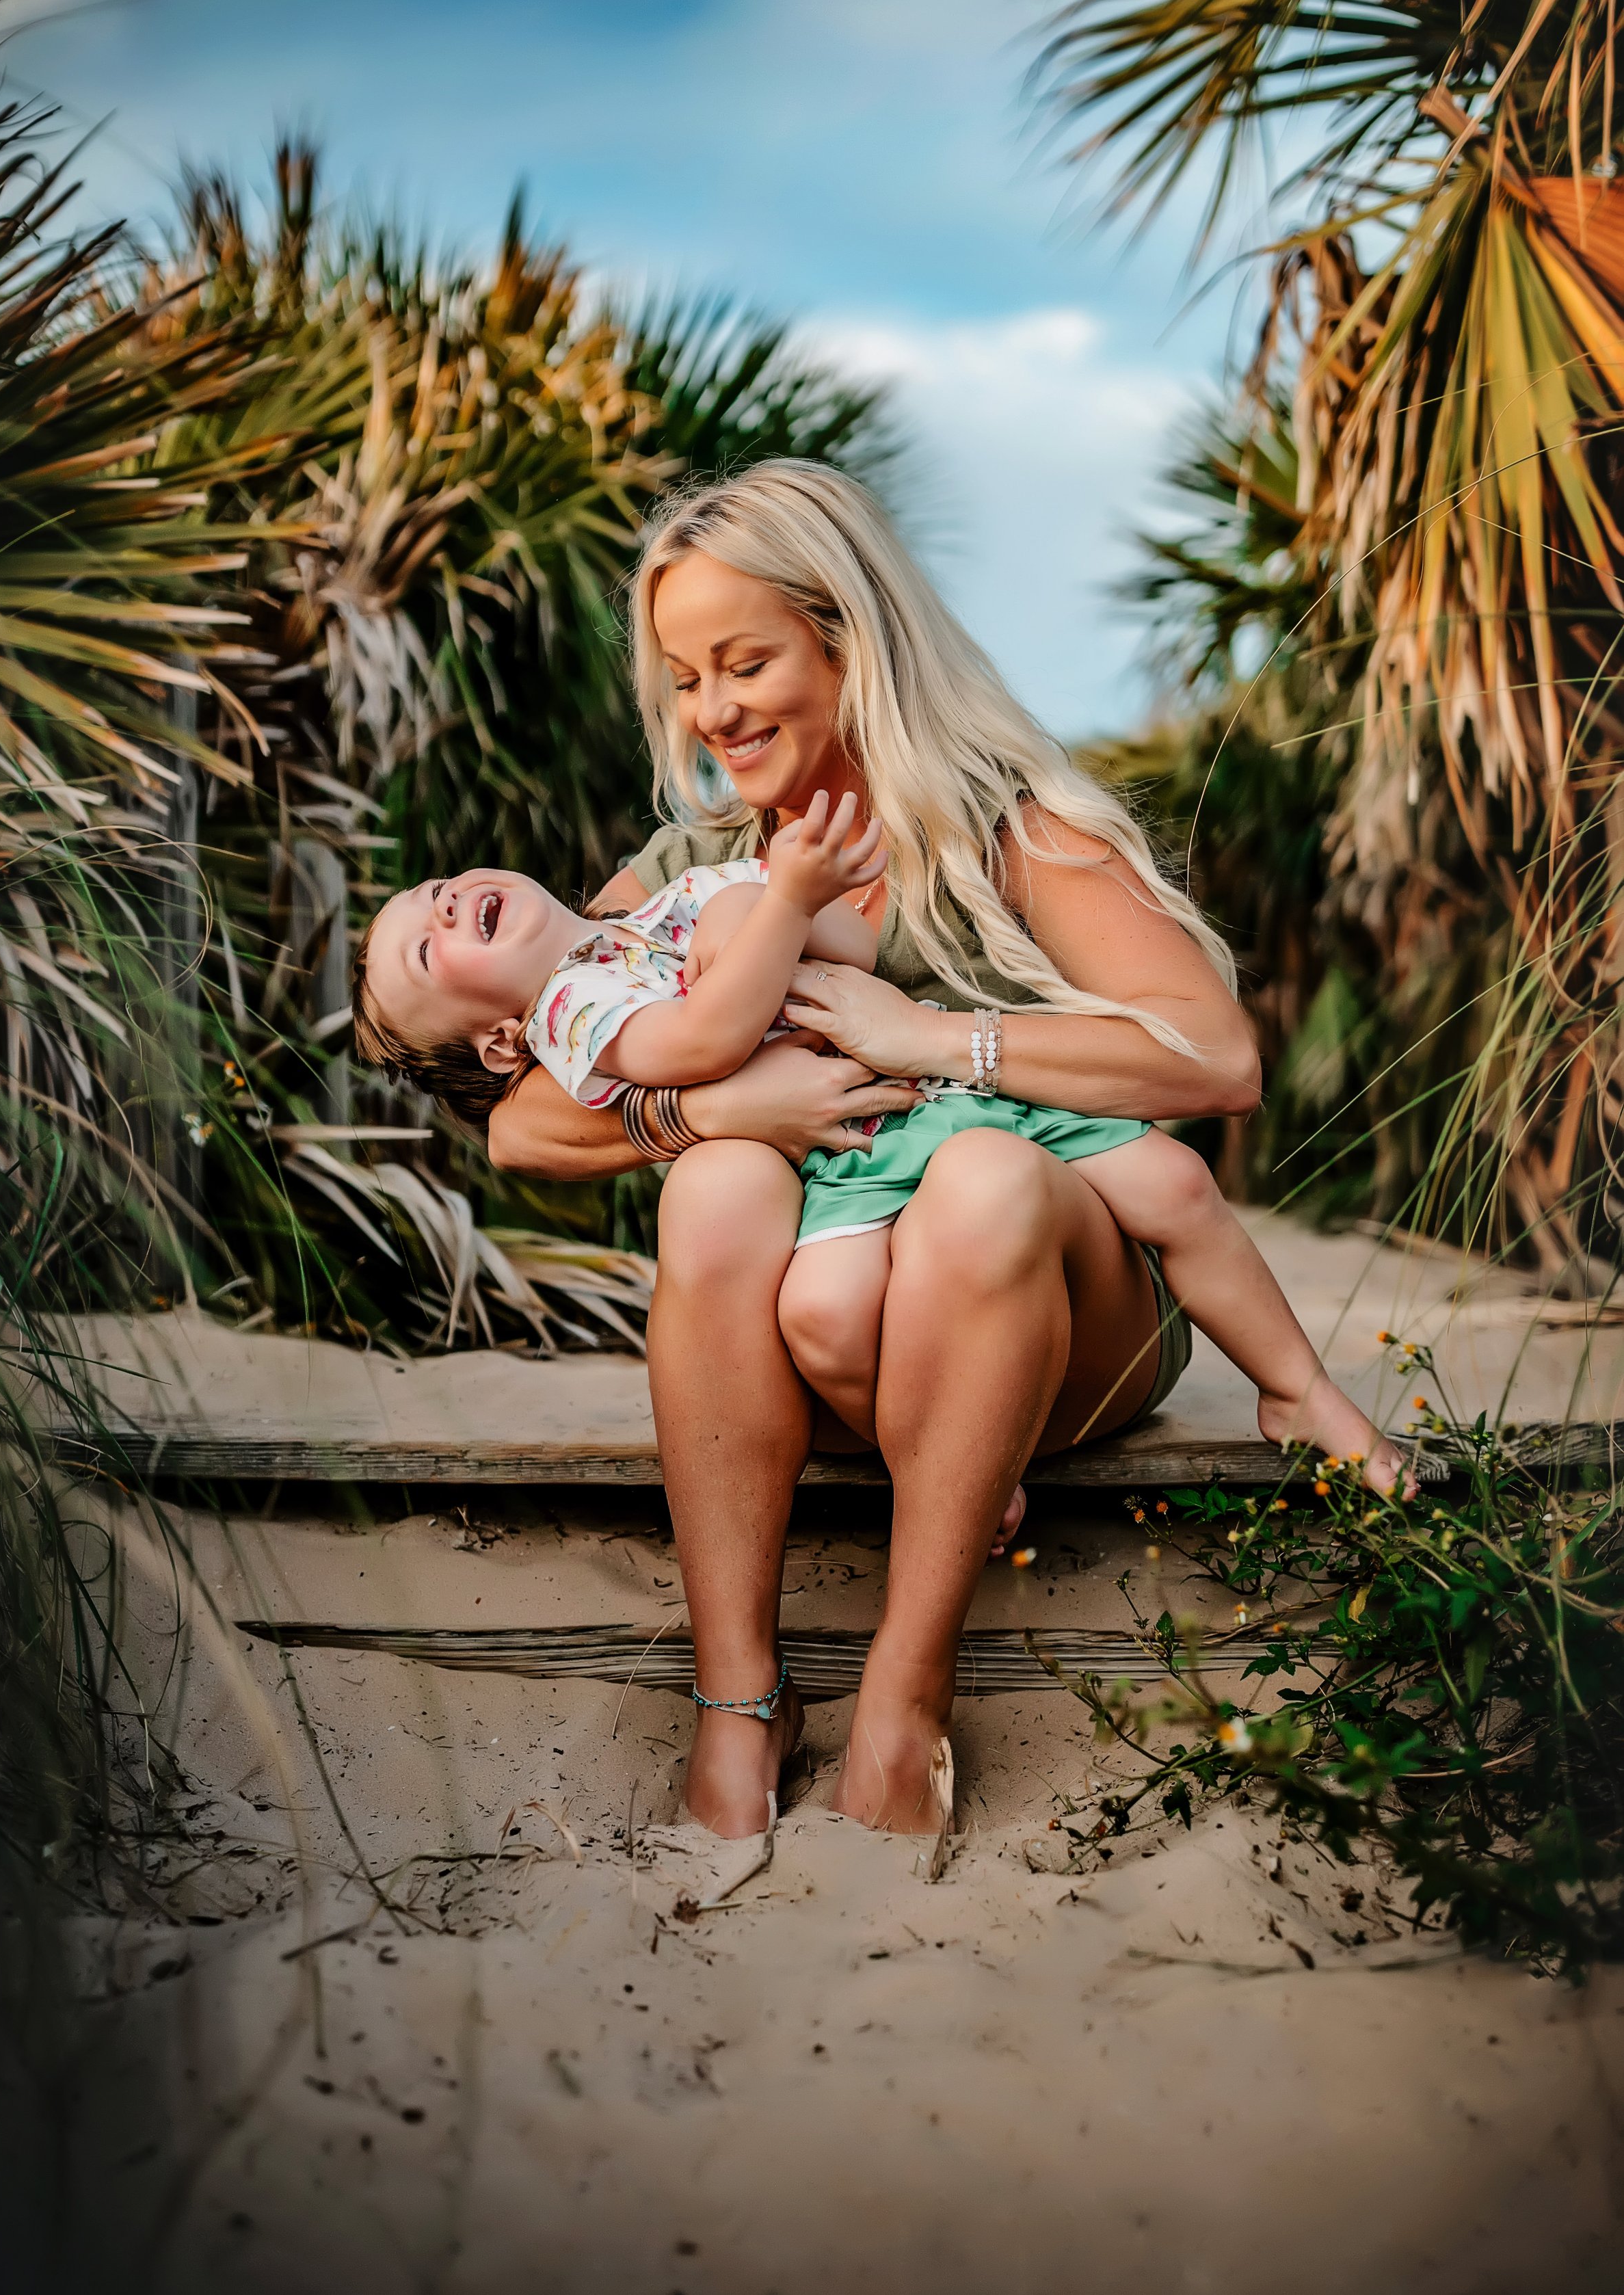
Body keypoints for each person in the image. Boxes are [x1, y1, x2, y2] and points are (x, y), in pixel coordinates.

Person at [364, 460, 1396, 1840]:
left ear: (845, 641)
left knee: (978, 1178)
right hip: (849, 1329)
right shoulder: (701, 867)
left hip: (1072, 1316)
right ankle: (739, 1696)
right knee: (723, 1182)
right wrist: (728, 1108)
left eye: (744, 662)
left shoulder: (1010, 827)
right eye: (683, 678)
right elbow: (531, 1114)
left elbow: (1213, 1058)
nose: (712, 712)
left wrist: (934, 1039)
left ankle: (904, 1704)